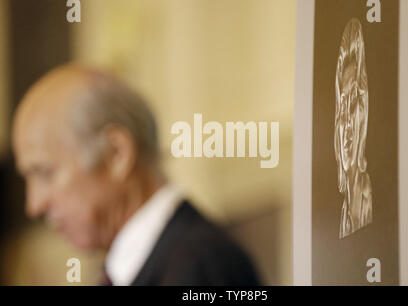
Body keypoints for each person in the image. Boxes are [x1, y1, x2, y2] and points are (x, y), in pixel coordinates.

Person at [12, 64, 260, 286]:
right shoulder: (159, 264)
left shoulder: (203, 267)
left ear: (116, 154)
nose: (34, 205)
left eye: (45, 173)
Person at [334, 19, 373, 239]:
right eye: (343, 106)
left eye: (354, 102)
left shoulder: (365, 198)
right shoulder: (344, 213)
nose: (347, 123)